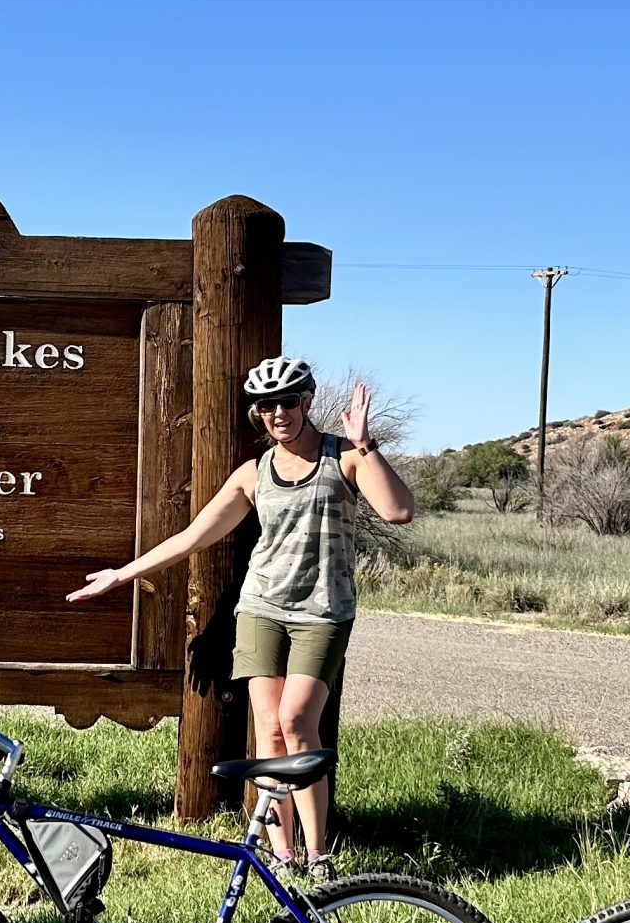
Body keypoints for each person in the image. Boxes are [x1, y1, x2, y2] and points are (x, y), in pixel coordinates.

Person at [67, 357, 413, 881]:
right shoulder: (255, 473)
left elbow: (398, 511)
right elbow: (193, 537)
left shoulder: (342, 457)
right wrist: (123, 574)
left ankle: (318, 857)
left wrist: (365, 444)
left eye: (288, 401)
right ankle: (283, 855)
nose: (277, 413)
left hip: (323, 612)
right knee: (269, 732)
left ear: (308, 401)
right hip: (260, 609)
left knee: (299, 722)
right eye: (266, 406)